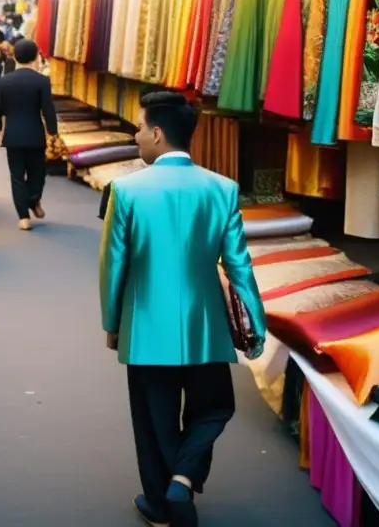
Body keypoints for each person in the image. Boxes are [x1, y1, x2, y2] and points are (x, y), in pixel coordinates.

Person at [98, 91, 266, 527]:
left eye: (138, 127)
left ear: (156, 133)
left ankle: (162, 503)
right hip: (205, 323)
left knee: (154, 419)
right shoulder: (222, 189)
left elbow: (113, 264)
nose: (135, 136)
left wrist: (113, 322)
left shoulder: (126, 190)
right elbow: (238, 263)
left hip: (145, 323)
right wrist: (256, 324)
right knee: (214, 406)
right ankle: (184, 478)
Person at [0, 39, 57, 231]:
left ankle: (23, 217)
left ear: (14, 56)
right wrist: (53, 132)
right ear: (36, 56)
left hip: (12, 135)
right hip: (35, 133)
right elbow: (48, 110)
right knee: (39, 172)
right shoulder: (42, 81)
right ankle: (33, 199)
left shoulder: (4, 81)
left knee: (17, 176)